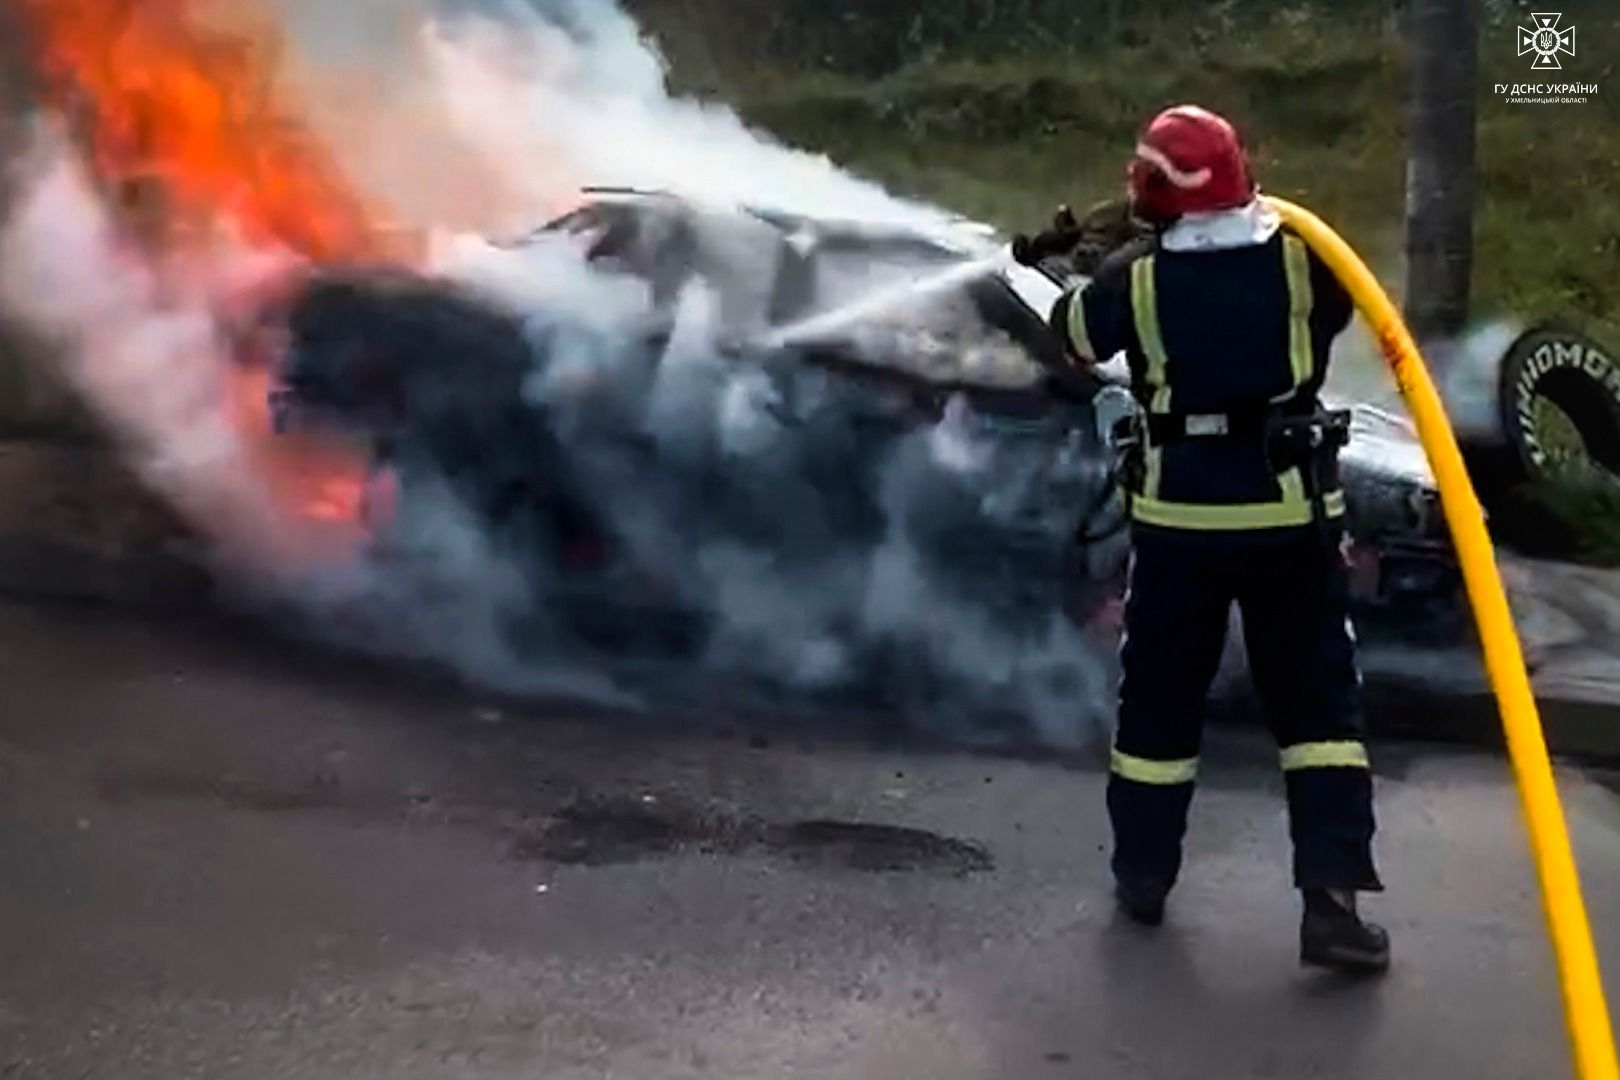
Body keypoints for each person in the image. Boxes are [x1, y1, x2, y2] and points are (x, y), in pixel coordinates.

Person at [1015, 105, 1390, 974]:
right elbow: (1331, 312)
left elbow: (1073, 337)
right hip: (1290, 520)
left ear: (1151, 187)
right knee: (1320, 712)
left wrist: (1072, 262)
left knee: (1157, 707)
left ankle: (1144, 878)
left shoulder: (1132, 281)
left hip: (1180, 527)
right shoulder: (1308, 262)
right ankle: (1331, 904)